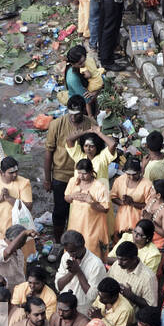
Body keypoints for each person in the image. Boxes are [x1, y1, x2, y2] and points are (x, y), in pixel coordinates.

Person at [44, 98, 98, 241]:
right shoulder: (57, 124)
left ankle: (76, 240)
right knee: (60, 210)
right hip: (61, 175)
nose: (73, 117)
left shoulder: (91, 124)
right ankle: (57, 241)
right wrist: (47, 179)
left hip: (83, 176)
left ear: (84, 112)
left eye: (77, 114)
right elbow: (49, 152)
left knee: (81, 211)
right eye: (71, 114)